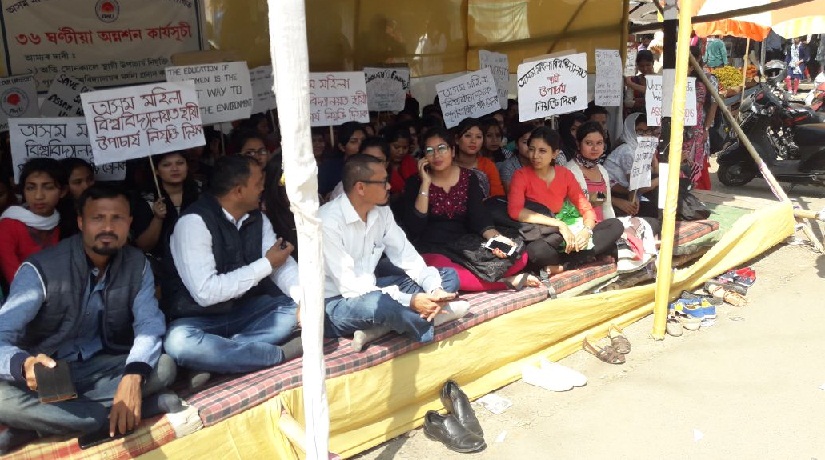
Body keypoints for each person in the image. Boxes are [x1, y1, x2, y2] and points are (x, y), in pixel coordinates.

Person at [0, 184, 178, 454]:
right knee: (3, 401)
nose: (108, 227)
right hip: (46, 377)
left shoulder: (136, 264)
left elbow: (149, 326)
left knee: (163, 366)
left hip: (98, 368)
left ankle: (46, 423)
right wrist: (24, 365)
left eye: (116, 218)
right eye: (98, 218)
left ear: (129, 222)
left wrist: (131, 377)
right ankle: (120, 412)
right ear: (81, 222)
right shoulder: (42, 269)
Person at [162, 155, 303, 387]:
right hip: (199, 318)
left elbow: (281, 267)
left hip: (244, 311)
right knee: (179, 343)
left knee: (300, 306)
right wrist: (266, 264)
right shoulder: (193, 223)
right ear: (238, 191)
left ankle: (216, 359)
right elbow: (205, 294)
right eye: (258, 184)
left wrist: (303, 302)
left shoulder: (258, 219)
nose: (262, 189)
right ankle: (276, 354)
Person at [320, 154, 467, 352]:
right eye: (383, 182)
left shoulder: (382, 212)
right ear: (360, 188)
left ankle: (380, 329)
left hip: (374, 288)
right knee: (380, 305)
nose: (389, 187)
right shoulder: (328, 221)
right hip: (338, 303)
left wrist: (433, 290)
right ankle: (437, 316)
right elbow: (351, 288)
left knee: (447, 276)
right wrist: (412, 301)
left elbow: (407, 256)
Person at [402, 127, 539, 291]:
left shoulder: (468, 177)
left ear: (453, 151)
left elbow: (479, 217)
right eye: (430, 150)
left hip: (464, 242)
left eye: (442, 148)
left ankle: (488, 279)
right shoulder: (415, 182)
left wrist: (495, 239)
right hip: (432, 246)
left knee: (517, 255)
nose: (436, 155)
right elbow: (415, 226)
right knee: (446, 272)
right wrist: (425, 183)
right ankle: (507, 282)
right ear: (424, 156)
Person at [507, 127, 622, 275]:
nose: (535, 156)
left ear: (555, 153)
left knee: (615, 225)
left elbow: (586, 209)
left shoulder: (565, 174)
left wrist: (586, 231)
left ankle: (565, 265)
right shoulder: (520, 175)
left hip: (570, 232)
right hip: (543, 234)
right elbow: (515, 210)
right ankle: (580, 259)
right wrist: (559, 224)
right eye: (531, 149)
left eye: (542, 151)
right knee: (536, 251)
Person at [0, 158, 66, 287]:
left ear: (63, 191)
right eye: (31, 188)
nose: (38, 196)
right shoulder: (9, 225)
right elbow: (14, 276)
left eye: (48, 188)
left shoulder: (66, 223)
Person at [132, 151, 200, 261]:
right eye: (166, 165)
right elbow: (143, 246)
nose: (174, 168)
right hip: (161, 266)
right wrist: (158, 218)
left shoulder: (201, 194)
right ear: (156, 170)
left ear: (187, 166)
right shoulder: (146, 200)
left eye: (180, 163)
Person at [604, 113, 661, 218]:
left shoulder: (640, 147)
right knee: (656, 209)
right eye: (640, 131)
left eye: (647, 131)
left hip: (630, 191)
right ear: (630, 131)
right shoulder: (627, 150)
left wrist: (653, 157)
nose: (644, 135)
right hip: (615, 194)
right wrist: (663, 179)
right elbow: (639, 186)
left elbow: (655, 171)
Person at [685, 46, 721, 190]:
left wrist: (706, 128)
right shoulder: (678, 77)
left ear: (698, 58)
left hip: (699, 128)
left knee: (698, 163)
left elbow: (713, 105)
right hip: (681, 130)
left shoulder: (709, 79)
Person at [453, 118, 505, 199]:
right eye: (468, 136)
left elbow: (498, 197)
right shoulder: (447, 164)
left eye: (478, 137)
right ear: (457, 139)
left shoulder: (487, 165)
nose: (473, 141)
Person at [318, 122, 367, 197]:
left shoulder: (374, 166)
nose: (360, 146)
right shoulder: (328, 169)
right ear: (342, 147)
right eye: (354, 142)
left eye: (363, 141)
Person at [56, 158, 95, 240]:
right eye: (77, 182)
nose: (86, 186)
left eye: (90, 179)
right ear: (64, 187)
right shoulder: (56, 216)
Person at [497, 122, 537, 192]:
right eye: (525, 142)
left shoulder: (543, 163)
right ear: (516, 145)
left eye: (534, 142)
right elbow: (512, 194)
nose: (530, 146)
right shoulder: (509, 167)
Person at [623, 50, 656, 117]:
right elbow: (628, 102)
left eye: (648, 65)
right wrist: (646, 101)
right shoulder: (634, 80)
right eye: (641, 66)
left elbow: (655, 93)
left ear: (653, 63)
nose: (645, 68)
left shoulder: (659, 79)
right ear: (637, 65)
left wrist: (631, 84)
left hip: (655, 117)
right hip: (636, 119)